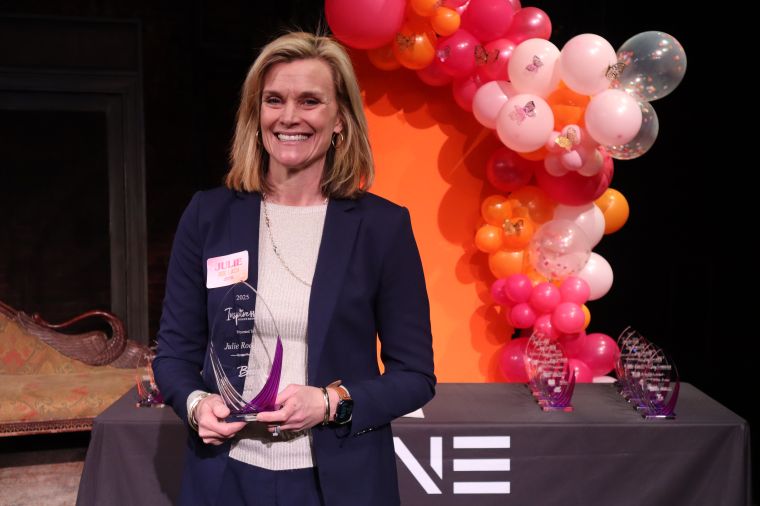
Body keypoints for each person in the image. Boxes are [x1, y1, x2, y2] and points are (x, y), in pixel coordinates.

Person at [152, 31, 436, 506]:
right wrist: (197, 404)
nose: (289, 117)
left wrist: (328, 403)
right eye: (274, 100)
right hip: (226, 477)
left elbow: (415, 376)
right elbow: (174, 354)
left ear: (340, 118)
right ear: (256, 114)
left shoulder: (382, 227)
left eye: (310, 101)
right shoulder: (208, 215)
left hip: (339, 482)